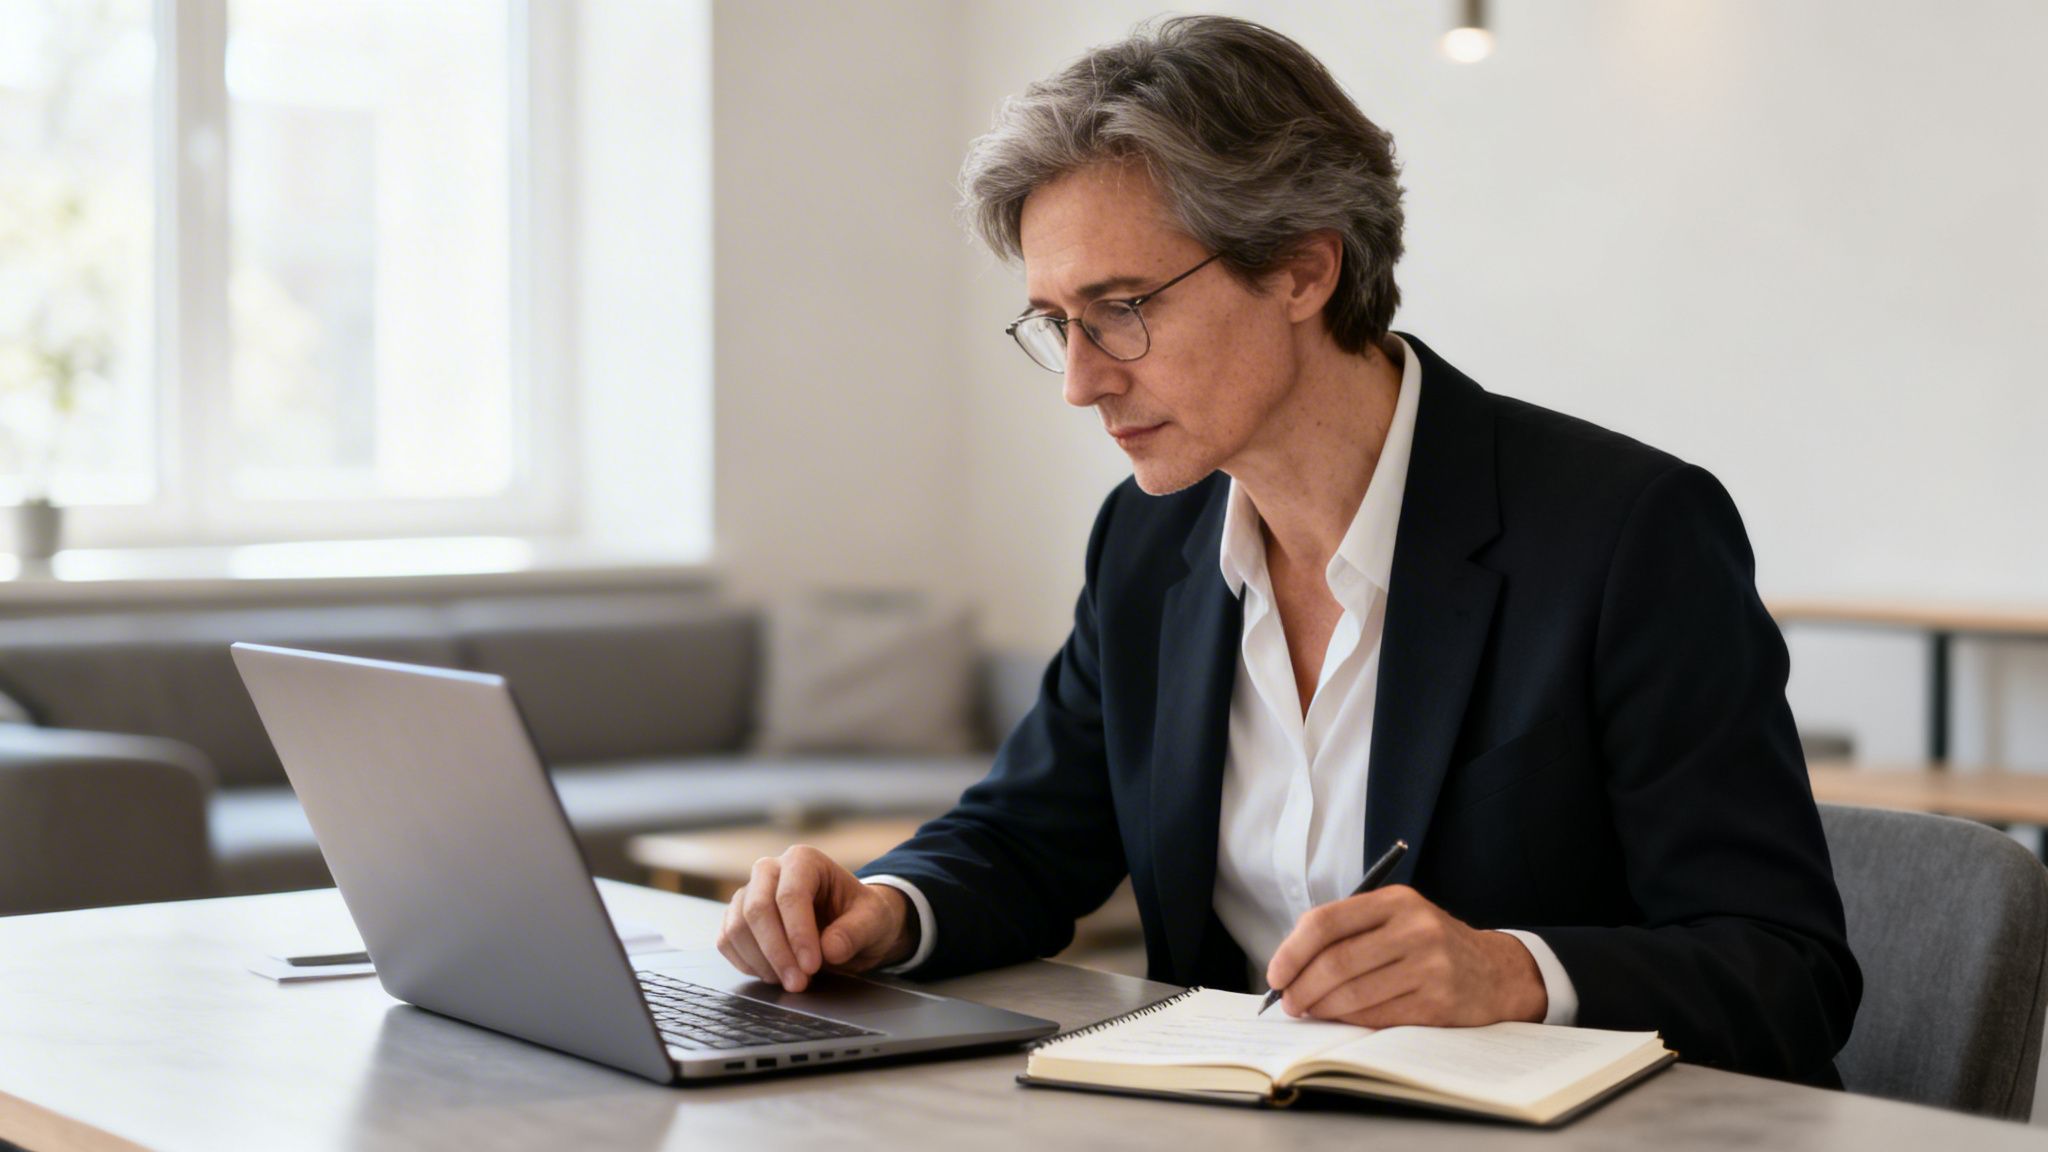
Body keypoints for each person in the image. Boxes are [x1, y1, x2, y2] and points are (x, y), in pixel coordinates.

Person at [717, 15, 1860, 1085]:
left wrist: (1508, 972)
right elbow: (1028, 836)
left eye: (1119, 308)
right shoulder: (1146, 539)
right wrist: (884, 905)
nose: (1078, 381)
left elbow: (1784, 972)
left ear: (1304, 270)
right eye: (1056, 323)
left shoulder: (1624, 533)